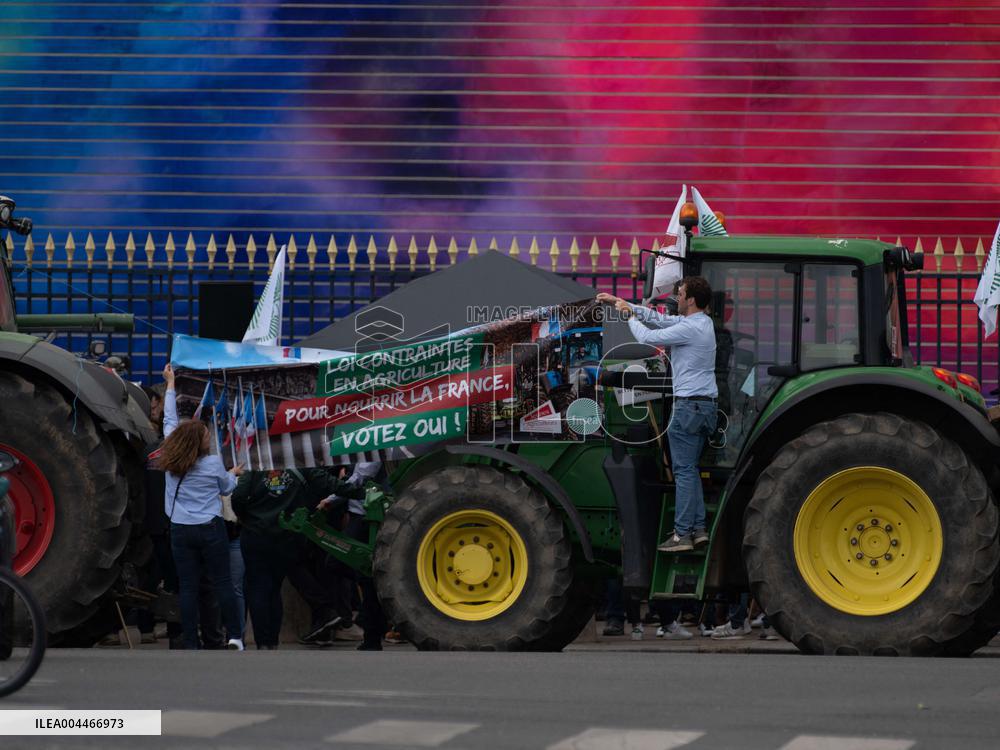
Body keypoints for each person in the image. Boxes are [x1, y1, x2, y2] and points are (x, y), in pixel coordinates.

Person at [598, 276, 718, 552]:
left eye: (681, 294)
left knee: (684, 471)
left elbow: (649, 337)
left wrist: (629, 317)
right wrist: (622, 303)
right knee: (691, 469)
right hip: (704, 406)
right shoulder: (700, 324)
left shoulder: (690, 328)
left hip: (689, 406)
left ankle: (682, 534)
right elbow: (660, 320)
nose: (677, 298)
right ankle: (698, 530)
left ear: (691, 300)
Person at [160, 364, 245, 650]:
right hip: (210, 528)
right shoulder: (212, 464)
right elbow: (226, 488)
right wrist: (233, 474)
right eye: (207, 437)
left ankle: (191, 642)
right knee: (222, 583)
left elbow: (169, 419)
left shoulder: (171, 459)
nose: (209, 438)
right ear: (200, 443)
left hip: (180, 529)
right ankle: (234, 636)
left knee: (188, 588)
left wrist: (170, 384)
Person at [231, 466, 342, 648]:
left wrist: (247, 517)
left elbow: (239, 496)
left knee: (258, 589)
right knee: (275, 588)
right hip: (287, 534)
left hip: (255, 533)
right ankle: (272, 641)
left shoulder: (254, 465)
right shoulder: (298, 465)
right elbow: (324, 484)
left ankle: (263, 642)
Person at [317, 462, 388, 650]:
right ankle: (373, 627)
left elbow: (358, 480)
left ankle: (372, 631)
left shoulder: (371, 446)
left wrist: (332, 498)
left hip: (367, 517)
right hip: (360, 515)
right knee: (362, 574)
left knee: (346, 565)